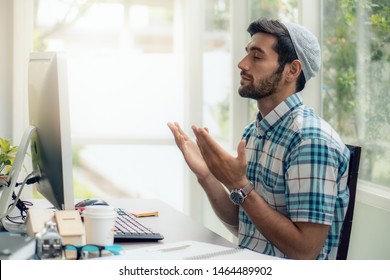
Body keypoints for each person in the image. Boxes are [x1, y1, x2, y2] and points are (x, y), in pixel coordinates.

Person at [167, 18, 350, 260]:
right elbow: (244, 226)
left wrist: (240, 185)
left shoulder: (310, 141)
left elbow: (305, 252)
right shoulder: (253, 132)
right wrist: (207, 175)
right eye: (247, 54)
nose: (242, 64)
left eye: (257, 56)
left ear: (292, 70)